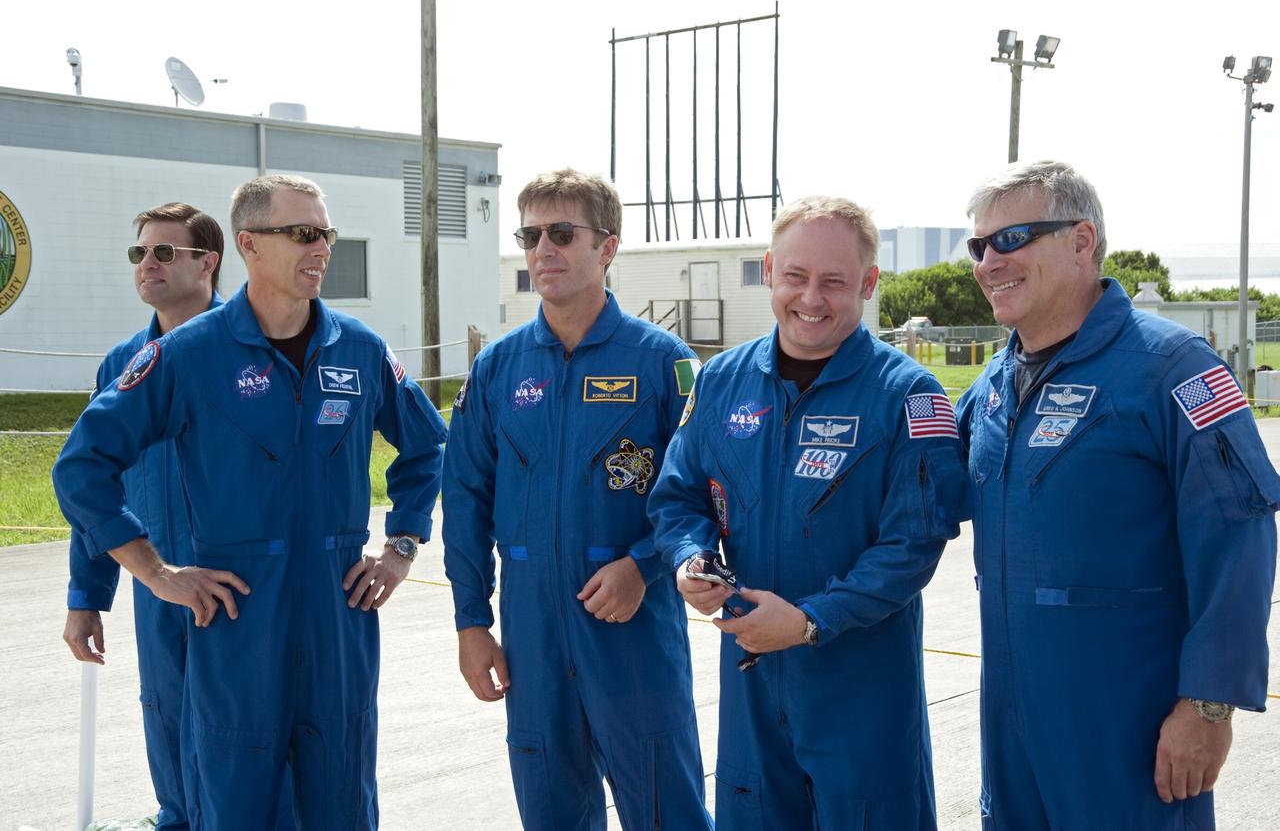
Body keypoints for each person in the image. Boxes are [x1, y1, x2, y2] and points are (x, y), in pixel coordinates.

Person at [52, 174, 447, 828]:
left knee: (343, 805)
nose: (321, 247)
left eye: (326, 233)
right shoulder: (186, 356)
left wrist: (402, 546)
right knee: (228, 804)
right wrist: (153, 573)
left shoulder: (359, 349)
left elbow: (427, 447)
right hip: (232, 622)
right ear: (248, 246)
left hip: (338, 619)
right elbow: (84, 466)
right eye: (302, 233)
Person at [955, 160, 1279, 830]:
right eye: (978, 246)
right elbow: (913, 490)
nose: (989, 262)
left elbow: (1238, 537)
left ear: (1082, 241)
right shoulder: (990, 386)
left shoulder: (1173, 368)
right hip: (1011, 727)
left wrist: (1208, 704)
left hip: (1129, 727)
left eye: (1011, 239)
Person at [648, 195, 969, 830]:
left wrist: (809, 622)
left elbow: (912, 545)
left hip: (860, 683)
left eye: (834, 282)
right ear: (770, 270)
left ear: (869, 284)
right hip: (751, 679)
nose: (811, 299)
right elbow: (679, 494)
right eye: (796, 277)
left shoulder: (908, 395)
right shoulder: (722, 381)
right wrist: (691, 558)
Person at [442, 168, 712, 830]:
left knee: (666, 807)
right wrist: (472, 621)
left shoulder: (664, 363)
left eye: (562, 233)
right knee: (550, 807)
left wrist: (643, 565)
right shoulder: (498, 368)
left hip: (632, 628)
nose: (543, 250)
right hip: (532, 629)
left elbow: (707, 490)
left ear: (608, 247)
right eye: (530, 234)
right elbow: (466, 497)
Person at [60, 202, 299, 830]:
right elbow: (94, 488)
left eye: (165, 252)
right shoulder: (121, 365)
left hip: (244, 589)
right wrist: (88, 595)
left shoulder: (257, 353)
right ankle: (178, 818)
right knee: (165, 714)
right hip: (159, 578)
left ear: (209, 262)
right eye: (140, 252)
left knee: (249, 734)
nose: (148, 264)